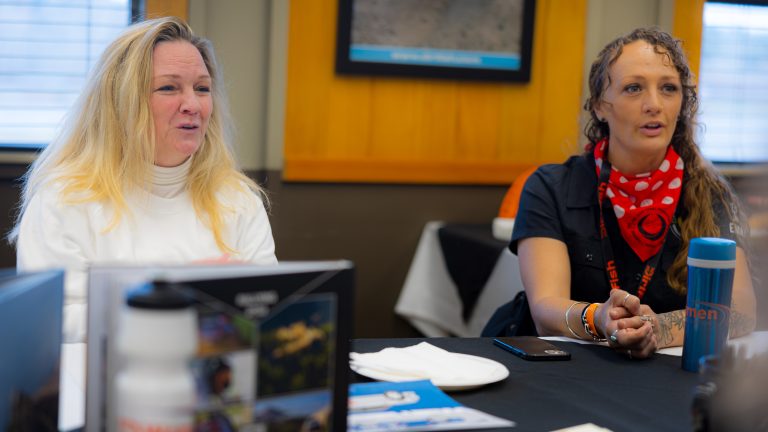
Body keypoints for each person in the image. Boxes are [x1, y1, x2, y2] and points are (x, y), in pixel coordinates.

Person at [10, 17, 277, 343]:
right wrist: (175, 301)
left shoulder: (238, 200)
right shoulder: (63, 200)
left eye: (202, 88)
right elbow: (50, 321)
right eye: (169, 88)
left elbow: (269, 308)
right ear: (120, 102)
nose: (193, 105)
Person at [511, 27, 756, 359]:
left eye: (668, 88)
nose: (654, 104)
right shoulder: (550, 187)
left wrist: (658, 328)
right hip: (559, 365)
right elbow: (544, 309)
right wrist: (599, 318)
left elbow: (741, 309)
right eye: (634, 88)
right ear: (600, 106)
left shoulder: (711, 193)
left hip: (667, 371)